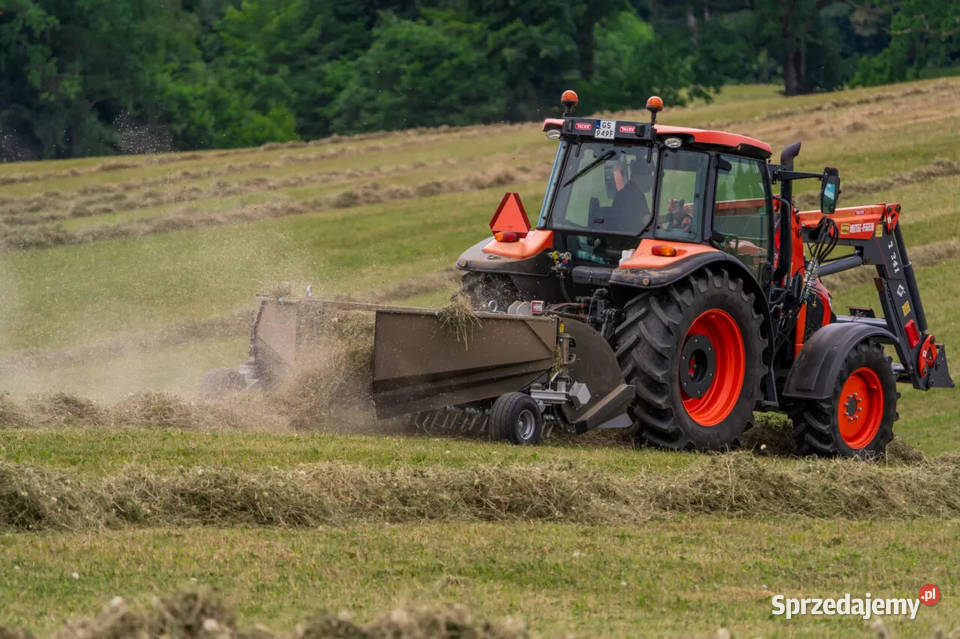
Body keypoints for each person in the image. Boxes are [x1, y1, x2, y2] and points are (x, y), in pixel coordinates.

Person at [611, 162, 654, 230]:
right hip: (631, 235)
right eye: (649, 176)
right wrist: (669, 217)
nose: (651, 181)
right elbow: (647, 221)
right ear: (637, 176)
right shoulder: (636, 196)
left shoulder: (624, 192)